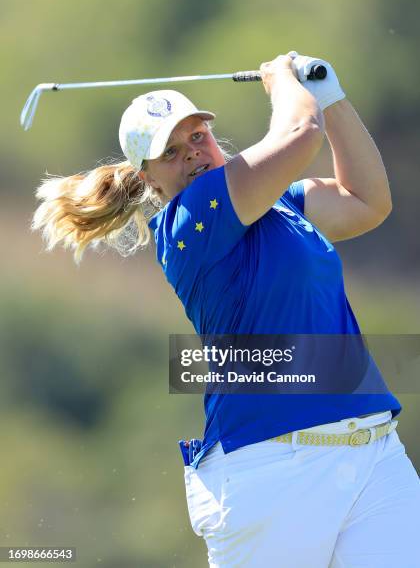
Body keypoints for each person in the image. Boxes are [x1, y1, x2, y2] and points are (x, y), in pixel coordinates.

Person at [31, 52, 420, 567]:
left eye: (197, 137)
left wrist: (332, 96)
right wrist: (284, 80)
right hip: (272, 469)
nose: (192, 155)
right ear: (148, 179)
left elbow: (367, 201)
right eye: (170, 152)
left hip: (372, 452)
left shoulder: (282, 203)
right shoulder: (189, 220)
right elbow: (301, 137)